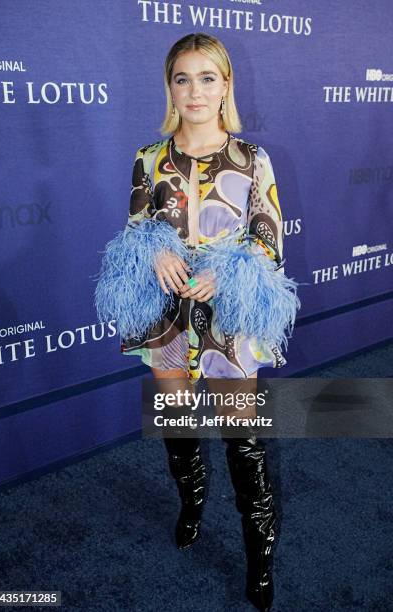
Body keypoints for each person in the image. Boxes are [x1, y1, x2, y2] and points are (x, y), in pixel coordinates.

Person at [94, 32, 300, 612]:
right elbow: (136, 225)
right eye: (182, 79)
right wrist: (152, 248)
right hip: (166, 316)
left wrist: (231, 270)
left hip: (231, 313)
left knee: (244, 437)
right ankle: (191, 501)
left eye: (207, 78)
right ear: (170, 87)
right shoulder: (147, 157)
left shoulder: (253, 159)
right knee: (178, 426)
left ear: (225, 85)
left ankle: (258, 561)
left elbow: (269, 236)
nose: (194, 91)